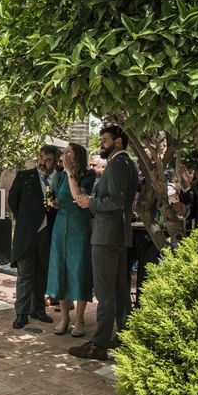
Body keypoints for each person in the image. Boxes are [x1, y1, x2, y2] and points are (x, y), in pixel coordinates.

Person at [70, 125, 138, 360]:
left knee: (105, 291)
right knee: (119, 290)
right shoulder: (125, 163)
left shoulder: (120, 163)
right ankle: (123, 336)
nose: (102, 144)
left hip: (107, 236)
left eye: (105, 140)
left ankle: (99, 344)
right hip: (115, 235)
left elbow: (115, 202)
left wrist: (91, 202)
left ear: (118, 142)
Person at [46, 143, 96, 337]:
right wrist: (52, 202)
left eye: (70, 152)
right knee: (61, 271)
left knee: (79, 270)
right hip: (60, 227)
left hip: (79, 227)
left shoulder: (88, 175)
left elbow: (78, 197)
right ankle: (64, 317)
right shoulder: (58, 175)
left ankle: (80, 320)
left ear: (79, 156)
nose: (66, 155)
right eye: (65, 152)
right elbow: (59, 201)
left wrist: (69, 173)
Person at [9, 145, 61, 329]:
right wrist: (25, 221)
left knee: (41, 274)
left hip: (48, 234)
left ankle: (38, 310)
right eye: (40, 157)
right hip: (26, 234)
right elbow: (12, 202)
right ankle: (21, 313)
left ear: (55, 162)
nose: (42, 162)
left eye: (47, 159)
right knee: (25, 275)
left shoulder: (59, 179)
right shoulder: (24, 176)